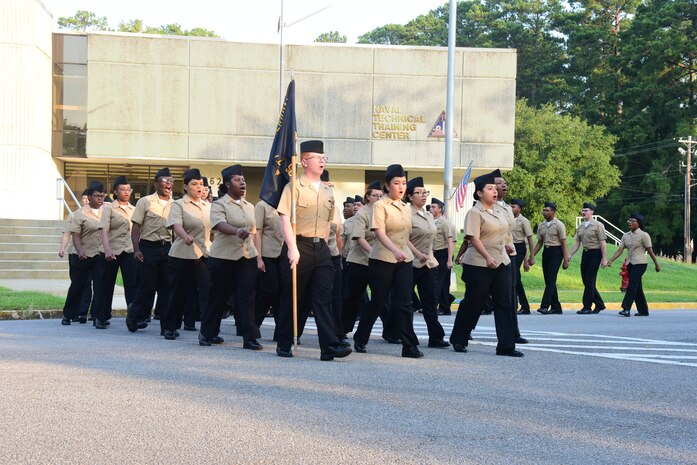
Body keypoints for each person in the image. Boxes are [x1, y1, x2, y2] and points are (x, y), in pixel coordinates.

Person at [275, 140, 351, 361]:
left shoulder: (328, 191)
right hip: (299, 246)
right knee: (293, 298)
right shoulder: (293, 187)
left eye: (324, 158)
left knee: (323, 298)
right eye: (318, 158)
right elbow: (284, 218)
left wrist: (327, 244)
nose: (322, 161)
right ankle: (285, 342)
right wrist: (291, 247)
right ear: (305, 161)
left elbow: (328, 221)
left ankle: (328, 346)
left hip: (321, 248)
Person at [353, 164, 423, 358]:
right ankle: (360, 337)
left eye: (404, 183)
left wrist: (414, 253)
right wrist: (394, 250)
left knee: (404, 303)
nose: (401, 187)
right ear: (387, 185)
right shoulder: (380, 206)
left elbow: (405, 236)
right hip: (382, 259)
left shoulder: (406, 208)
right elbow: (379, 233)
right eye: (396, 183)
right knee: (378, 301)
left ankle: (409, 346)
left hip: (404, 260)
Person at [449, 172, 521, 357]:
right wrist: (488, 257)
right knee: (475, 302)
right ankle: (459, 338)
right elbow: (473, 237)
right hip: (479, 264)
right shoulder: (474, 212)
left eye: (495, 188)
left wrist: (506, 244)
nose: (495, 191)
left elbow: (503, 231)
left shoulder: (499, 210)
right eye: (490, 189)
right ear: (479, 193)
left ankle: (506, 346)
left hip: (501, 260)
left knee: (504, 302)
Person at [199, 164, 261, 349]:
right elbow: (219, 225)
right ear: (227, 184)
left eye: (243, 180)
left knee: (246, 297)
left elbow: (254, 232)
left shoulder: (250, 206)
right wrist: (237, 231)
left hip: (246, 257)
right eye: (237, 180)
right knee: (217, 296)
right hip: (223, 258)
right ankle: (208, 333)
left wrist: (258, 257)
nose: (242, 183)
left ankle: (249, 337)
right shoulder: (218, 204)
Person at [162, 169, 212, 340]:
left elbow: (214, 228)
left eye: (201, 184)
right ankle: (170, 327)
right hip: (182, 254)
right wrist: (185, 237)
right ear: (185, 186)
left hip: (203, 254)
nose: (199, 187)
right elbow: (176, 224)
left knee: (207, 292)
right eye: (194, 184)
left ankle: (208, 331)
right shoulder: (178, 204)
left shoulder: (208, 206)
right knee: (178, 292)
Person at [126, 168, 173, 333]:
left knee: (167, 288)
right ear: (156, 183)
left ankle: (167, 327)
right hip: (148, 247)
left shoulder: (176, 204)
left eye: (171, 180)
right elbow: (136, 227)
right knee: (147, 287)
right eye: (165, 180)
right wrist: (136, 249)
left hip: (167, 248)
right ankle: (133, 316)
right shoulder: (145, 202)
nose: (169, 183)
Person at [405, 177, 449, 348]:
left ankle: (435, 337)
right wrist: (417, 253)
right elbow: (404, 238)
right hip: (410, 263)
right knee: (406, 303)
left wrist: (428, 256)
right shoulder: (406, 214)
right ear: (410, 196)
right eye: (419, 193)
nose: (423, 196)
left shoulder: (429, 215)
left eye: (425, 192)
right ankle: (406, 336)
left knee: (430, 302)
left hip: (429, 264)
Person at [93, 176, 136, 329]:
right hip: (110, 250)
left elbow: (137, 231)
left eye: (128, 189)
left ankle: (134, 318)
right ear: (115, 192)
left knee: (132, 284)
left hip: (129, 249)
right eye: (122, 189)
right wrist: (107, 250)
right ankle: (100, 317)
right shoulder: (108, 208)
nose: (126, 192)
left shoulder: (134, 209)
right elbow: (104, 230)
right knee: (105, 284)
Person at [61, 181, 104, 326]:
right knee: (78, 285)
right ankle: (68, 314)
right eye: (97, 196)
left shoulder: (107, 213)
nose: (100, 199)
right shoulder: (79, 214)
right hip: (83, 255)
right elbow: (76, 236)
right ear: (89, 197)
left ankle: (98, 317)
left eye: (102, 196)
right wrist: (79, 251)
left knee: (99, 286)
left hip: (100, 255)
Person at [343, 181, 381, 335]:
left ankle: (390, 332)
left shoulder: (383, 212)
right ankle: (342, 331)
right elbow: (359, 237)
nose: (378, 198)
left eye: (380, 195)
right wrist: (374, 253)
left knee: (381, 299)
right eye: (374, 195)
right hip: (359, 261)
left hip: (379, 262)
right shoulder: (362, 214)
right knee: (353, 299)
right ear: (367, 197)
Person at [493, 171, 527, 344]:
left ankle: (513, 333)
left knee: (510, 294)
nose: (503, 185)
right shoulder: (487, 207)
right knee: (477, 297)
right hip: (491, 255)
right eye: (499, 183)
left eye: (504, 183)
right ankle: (462, 333)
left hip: (509, 254)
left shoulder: (506, 207)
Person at [607, 213, 661, 317]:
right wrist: (610, 261)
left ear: (639, 223)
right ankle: (643, 310)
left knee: (632, 285)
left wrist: (656, 264)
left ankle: (626, 308)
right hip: (630, 264)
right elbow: (620, 250)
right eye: (629, 221)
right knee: (637, 287)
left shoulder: (644, 235)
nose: (630, 223)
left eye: (633, 221)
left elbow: (650, 251)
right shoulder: (625, 236)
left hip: (640, 264)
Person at [568, 202, 608, 314]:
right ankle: (599, 304)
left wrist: (604, 259)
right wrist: (570, 255)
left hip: (596, 253)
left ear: (592, 212)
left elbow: (602, 243)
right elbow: (577, 243)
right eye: (583, 210)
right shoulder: (580, 226)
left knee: (590, 280)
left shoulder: (598, 225)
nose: (583, 212)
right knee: (586, 280)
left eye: (586, 210)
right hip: (586, 254)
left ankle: (587, 306)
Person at [58, 192, 92, 322]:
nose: (86, 201)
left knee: (88, 283)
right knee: (77, 283)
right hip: (75, 254)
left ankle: (83, 313)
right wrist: (62, 248)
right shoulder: (73, 215)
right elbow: (66, 234)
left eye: (88, 198)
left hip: (92, 253)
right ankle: (71, 313)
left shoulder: (99, 215)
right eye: (84, 198)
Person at [253, 197, 283, 338]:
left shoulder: (289, 205)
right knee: (270, 290)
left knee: (282, 294)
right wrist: (258, 257)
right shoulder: (262, 206)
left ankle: (281, 331)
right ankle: (253, 324)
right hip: (267, 254)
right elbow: (257, 232)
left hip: (285, 254)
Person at [531, 202, 569, 314]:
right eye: (543, 210)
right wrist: (532, 255)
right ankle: (556, 307)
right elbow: (539, 242)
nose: (544, 212)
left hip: (556, 252)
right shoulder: (541, 225)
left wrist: (566, 259)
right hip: (546, 252)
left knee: (551, 279)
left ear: (553, 212)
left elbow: (563, 243)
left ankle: (544, 306)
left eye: (547, 210)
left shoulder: (559, 225)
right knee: (548, 280)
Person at [431, 198, 456, 315]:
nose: (431, 209)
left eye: (433, 207)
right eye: (430, 207)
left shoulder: (444, 223)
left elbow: (450, 241)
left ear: (440, 210)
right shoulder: (431, 221)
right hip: (433, 254)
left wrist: (450, 259)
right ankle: (445, 305)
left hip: (442, 254)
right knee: (442, 282)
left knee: (439, 282)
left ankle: (437, 307)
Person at [510, 199, 534, 315]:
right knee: (516, 278)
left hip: (519, 248)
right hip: (509, 248)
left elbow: (529, 239)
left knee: (513, 277)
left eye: (513, 206)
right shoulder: (508, 219)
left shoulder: (524, 221)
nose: (511, 208)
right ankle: (525, 306)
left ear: (519, 208)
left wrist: (531, 257)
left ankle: (513, 306)